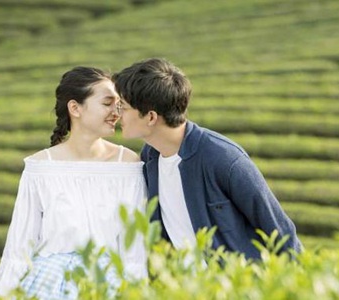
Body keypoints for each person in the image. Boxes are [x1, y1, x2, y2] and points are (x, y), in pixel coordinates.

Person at [112, 58, 302, 260]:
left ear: (150, 117)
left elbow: (280, 230)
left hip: (236, 284)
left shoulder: (222, 157)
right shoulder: (150, 157)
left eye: (122, 107)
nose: (117, 114)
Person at [0, 67, 147, 300]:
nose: (117, 112)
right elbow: (19, 249)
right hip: (46, 285)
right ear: (75, 108)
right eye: (107, 103)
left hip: (108, 284)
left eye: (118, 104)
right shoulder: (39, 167)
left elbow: (135, 249)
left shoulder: (127, 164)